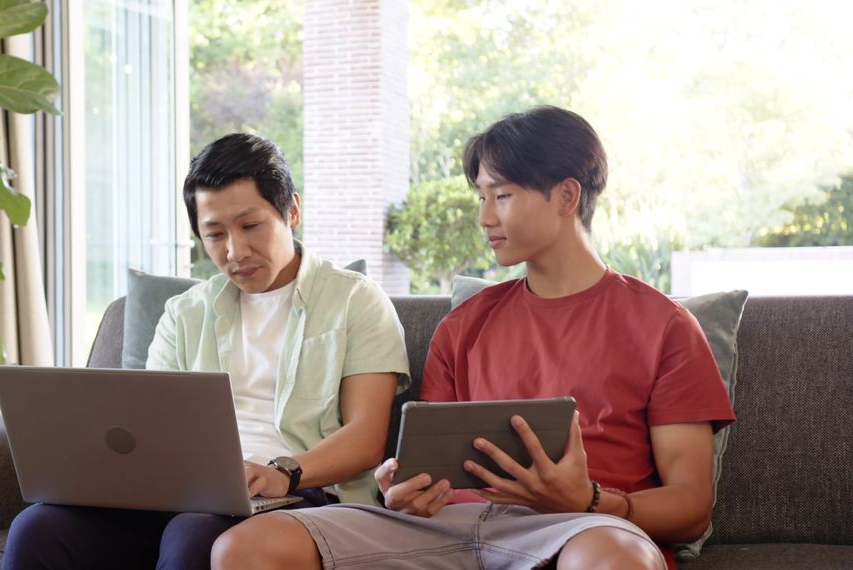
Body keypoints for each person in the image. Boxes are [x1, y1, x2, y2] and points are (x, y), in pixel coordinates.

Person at [211, 106, 736, 570]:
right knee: (247, 546)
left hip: (580, 526)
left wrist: (591, 500)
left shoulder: (664, 326)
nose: (485, 217)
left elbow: (691, 506)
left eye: (502, 196)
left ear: (566, 195)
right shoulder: (465, 324)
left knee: (615, 561)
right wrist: (405, 489)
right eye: (481, 197)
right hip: (449, 527)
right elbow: (427, 468)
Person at [2, 133, 410, 569]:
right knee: (37, 528)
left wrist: (282, 471)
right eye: (215, 234)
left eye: (250, 226)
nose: (235, 251)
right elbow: (147, 428)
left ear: (292, 210)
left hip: (300, 493)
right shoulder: (184, 313)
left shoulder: (355, 300)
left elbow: (366, 439)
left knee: (192, 532)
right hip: (185, 494)